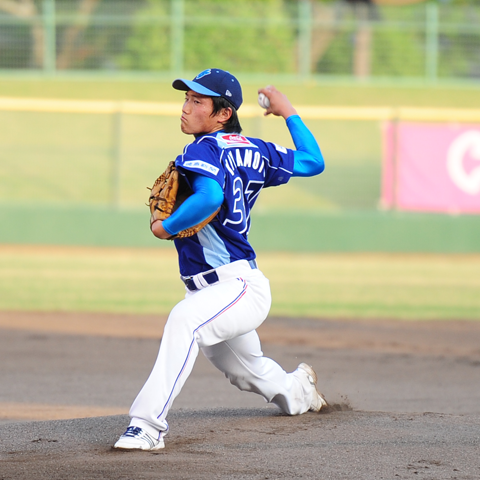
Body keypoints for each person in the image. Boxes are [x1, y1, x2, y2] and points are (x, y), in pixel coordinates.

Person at [114, 68, 326, 451]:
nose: (186, 107)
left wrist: (166, 227)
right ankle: (300, 391)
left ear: (222, 113)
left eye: (197, 101)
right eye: (186, 98)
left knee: (184, 321)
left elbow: (210, 198)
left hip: (238, 286)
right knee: (247, 371)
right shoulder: (256, 149)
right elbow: (313, 161)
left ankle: (146, 426)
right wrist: (287, 110)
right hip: (224, 291)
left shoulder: (201, 149)